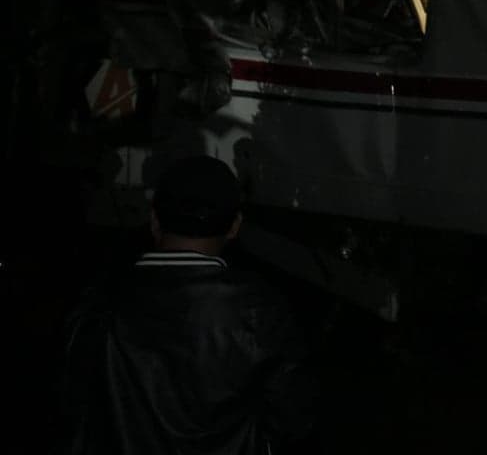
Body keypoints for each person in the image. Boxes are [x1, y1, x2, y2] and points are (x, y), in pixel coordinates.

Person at [59, 156, 316, 455]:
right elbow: (294, 418)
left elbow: (70, 405)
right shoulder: (260, 312)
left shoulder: (101, 301)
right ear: (234, 227)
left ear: (154, 220)